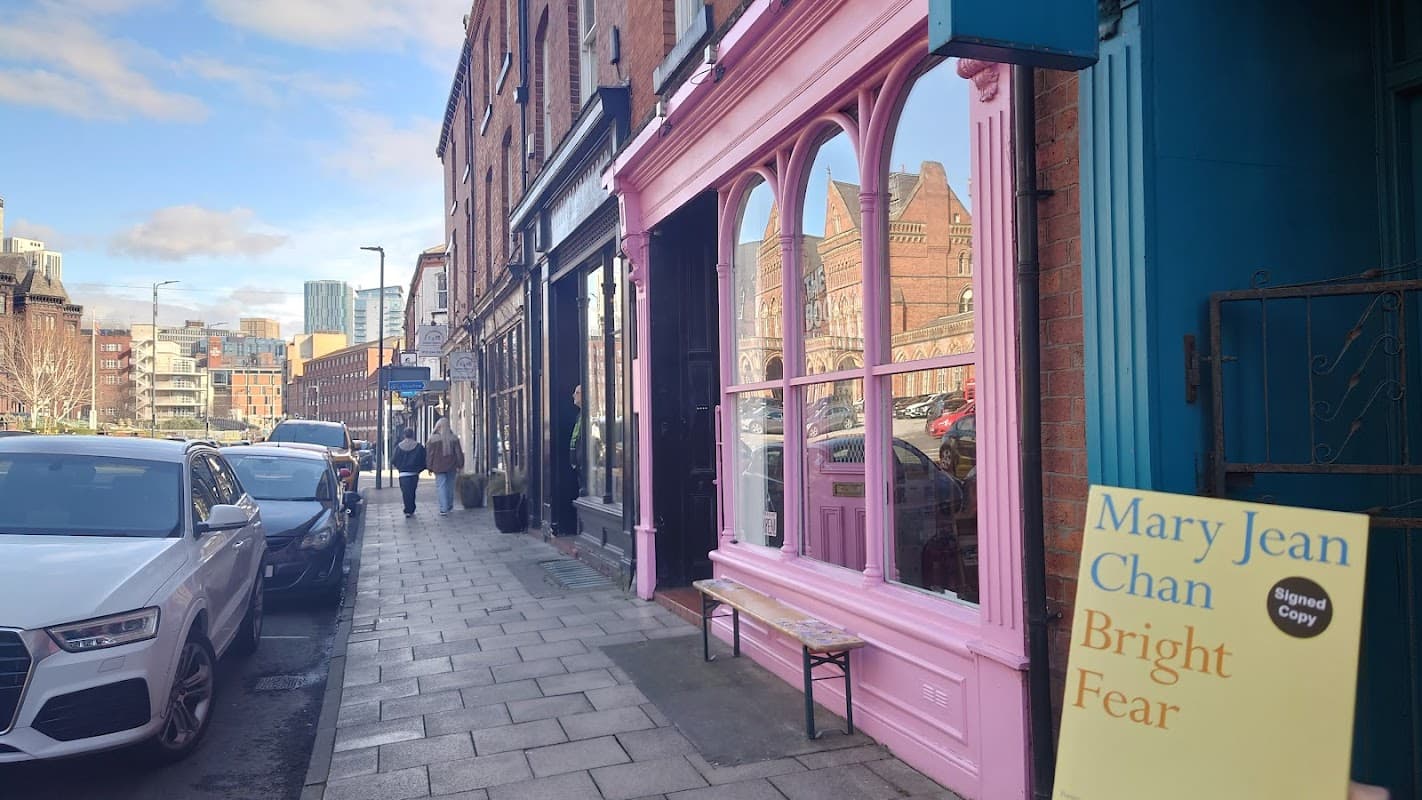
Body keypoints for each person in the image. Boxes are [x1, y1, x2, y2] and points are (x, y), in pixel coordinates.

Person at [426, 418, 465, 516]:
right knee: (450, 486)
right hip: (451, 466)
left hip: (438, 467)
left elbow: (430, 455)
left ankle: (443, 508)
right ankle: (449, 506)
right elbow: (459, 454)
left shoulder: (433, 439)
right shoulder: (454, 438)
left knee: (441, 486)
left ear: (438, 427)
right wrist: (460, 464)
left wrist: (429, 467)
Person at [390, 428, 425, 518]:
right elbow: (424, 460)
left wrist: (399, 467)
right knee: (412, 491)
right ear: (413, 435)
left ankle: (408, 509)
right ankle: (411, 508)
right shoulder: (418, 446)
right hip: (414, 473)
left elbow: (393, 460)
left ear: (404, 435)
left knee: (405, 492)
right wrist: (419, 469)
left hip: (403, 474)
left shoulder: (399, 447)